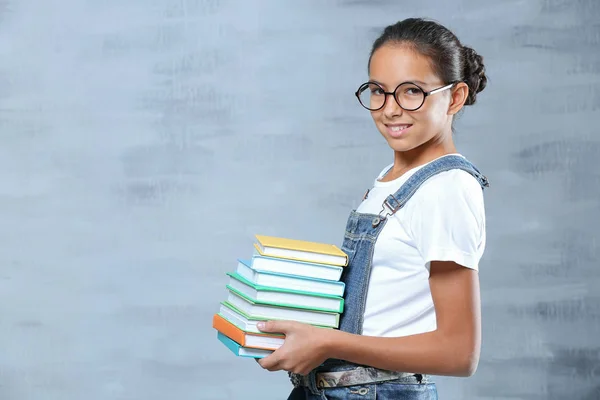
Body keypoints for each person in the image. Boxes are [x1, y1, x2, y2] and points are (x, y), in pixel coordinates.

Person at [256, 17, 489, 400]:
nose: (390, 109)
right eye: (378, 91)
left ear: (456, 96)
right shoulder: (391, 178)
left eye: (412, 91)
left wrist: (328, 343)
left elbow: (459, 352)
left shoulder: (446, 188)